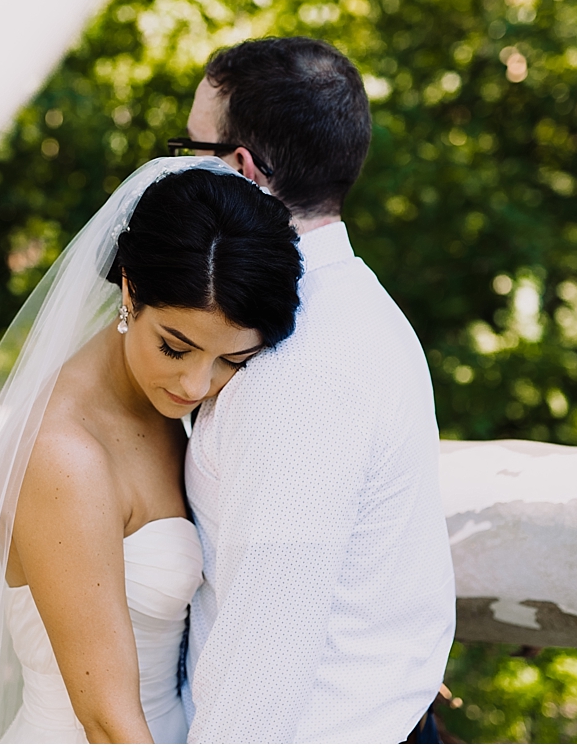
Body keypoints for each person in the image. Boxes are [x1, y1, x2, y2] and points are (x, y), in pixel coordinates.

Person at [0, 156, 302, 743]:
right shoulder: (63, 455)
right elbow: (106, 721)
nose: (196, 386)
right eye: (175, 348)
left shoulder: (161, 404)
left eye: (231, 361)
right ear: (129, 291)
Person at [173, 37, 456, 743]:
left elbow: (264, 656)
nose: (173, 169)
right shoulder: (355, 301)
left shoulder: (297, 366)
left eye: (189, 147)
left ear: (241, 169)